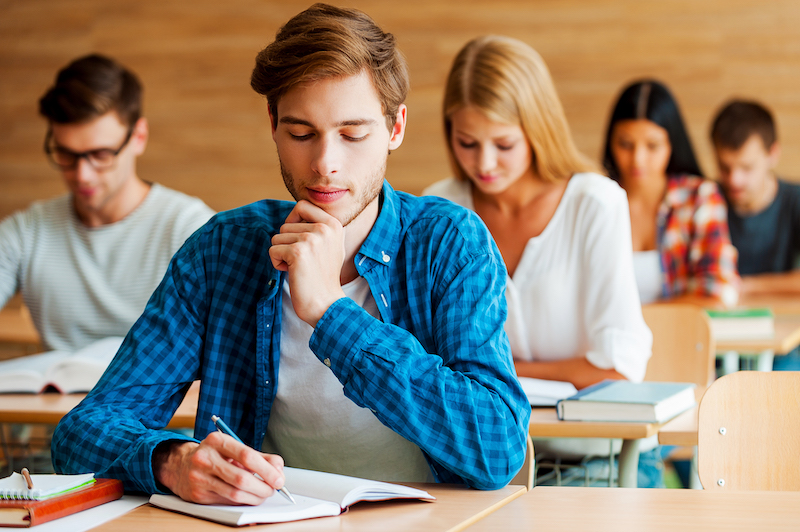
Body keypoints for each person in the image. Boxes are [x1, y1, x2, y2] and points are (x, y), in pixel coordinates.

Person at [52, 4, 530, 504]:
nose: (325, 163)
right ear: (273, 124)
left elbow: (497, 448)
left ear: (395, 128)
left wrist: (331, 313)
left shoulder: (450, 242)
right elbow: (81, 434)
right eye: (302, 133)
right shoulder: (222, 250)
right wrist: (171, 462)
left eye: (353, 133)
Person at [424, 35, 653, 486]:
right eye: (467, 142)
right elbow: (430, 366)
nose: (484, 163)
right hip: (485, 464)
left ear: (537, 129)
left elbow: (617, 370)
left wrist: (487, 377)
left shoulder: (595, 203)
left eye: (504, 144)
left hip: (601, 459)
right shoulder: (439, 207)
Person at [0, 54, 215, 353]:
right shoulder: (27, 232)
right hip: (53, 397)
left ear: (138, 137)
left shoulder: (191, 229)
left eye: (100, 155)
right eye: (66, 154)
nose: (82, 175)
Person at [603, 79, 740, 307]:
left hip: (681, 337)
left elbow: (717, 289)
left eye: (652, 146)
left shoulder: (699, 197)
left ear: (671, 144)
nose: (638, 159)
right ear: (610, 143)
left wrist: (638, 322)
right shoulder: (596, 199)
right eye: (625, 144)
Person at [711, 99, 800, 371]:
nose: (735, 180)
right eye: (725, 167)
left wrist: (745, 286)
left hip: (780, 338)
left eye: (746, 168)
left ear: (773, 154)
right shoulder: (706, 200)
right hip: (716, 339)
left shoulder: (794, 201)